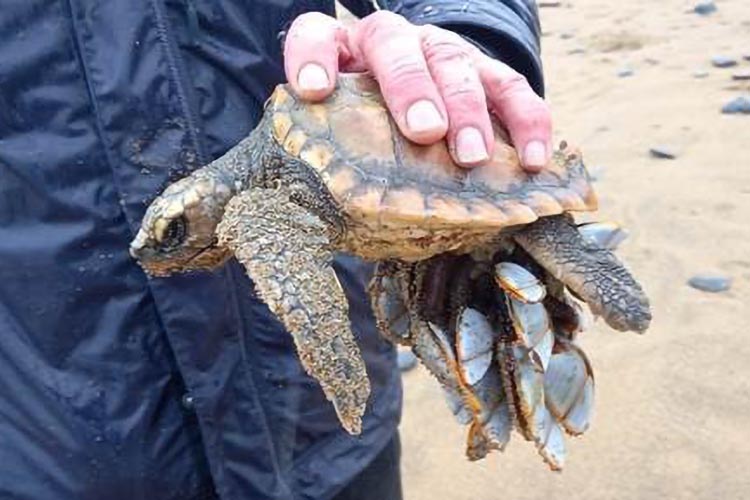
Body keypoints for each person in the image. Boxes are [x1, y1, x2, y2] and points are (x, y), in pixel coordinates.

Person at [0, 1, 549, 499]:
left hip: (322, 439)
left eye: (174, 232)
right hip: (61, 447)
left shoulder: (257, 206)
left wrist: (460, 56)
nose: (153, 254)